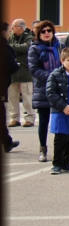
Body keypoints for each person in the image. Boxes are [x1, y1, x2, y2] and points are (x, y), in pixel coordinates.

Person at [28, 20, 65, 162]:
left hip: (60, 88)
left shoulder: (60, 46)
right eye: (43, 31)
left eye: (49, 31)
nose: (47, 33)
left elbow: (68, 61)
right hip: (43, 88)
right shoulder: (35, 48)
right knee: (44, 120)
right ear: (38, 33)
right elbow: (34, 69)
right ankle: (43, 149)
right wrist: (52, 77)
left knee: (60, 120)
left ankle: (60, 150)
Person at [8, 19, 36, 127]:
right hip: (12, 72)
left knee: (27, 97)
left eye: (13, 26)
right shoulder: (10, 37)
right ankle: (14, 118)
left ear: (21, 28)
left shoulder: (28, 37)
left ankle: (30, 118)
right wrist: (16, 48)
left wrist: (12, 47)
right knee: (12, 97)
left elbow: (27, 48)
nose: (11, 28)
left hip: (25, 71)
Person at [2, 22, 21, 153]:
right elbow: (11, 66)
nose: (10, 33)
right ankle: (7, 142)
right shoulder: (4, 47)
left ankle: (7, 141)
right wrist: (17, 64)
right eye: (9, 31)